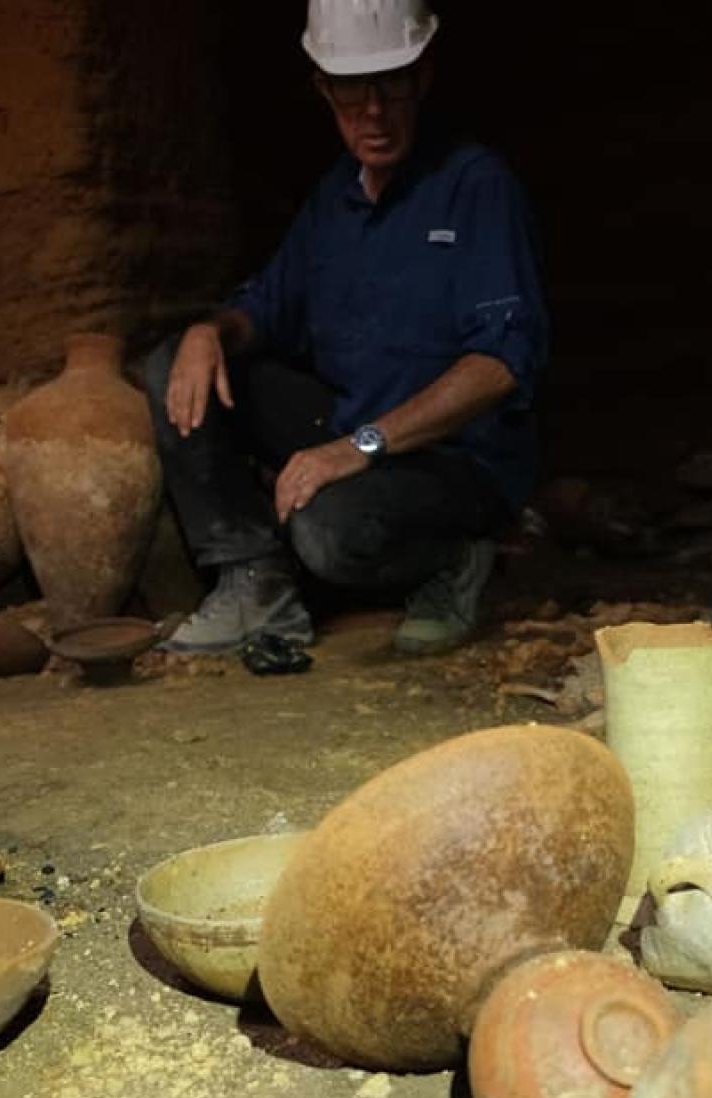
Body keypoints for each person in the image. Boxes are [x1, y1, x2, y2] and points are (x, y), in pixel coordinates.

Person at [143, 0, 548, 655]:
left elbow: (502, 364)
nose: (375, 114)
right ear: (323, 89)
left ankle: (461, 556)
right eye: (353, 92)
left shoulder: (476, 185)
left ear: (422, 77)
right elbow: (266, 309)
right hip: (355, 429)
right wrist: (208, 332)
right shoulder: (334, 199)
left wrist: (354, 448)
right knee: (175, 363)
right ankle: (254, 581)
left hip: (455, 463)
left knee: (327, 535)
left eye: (390, 86)